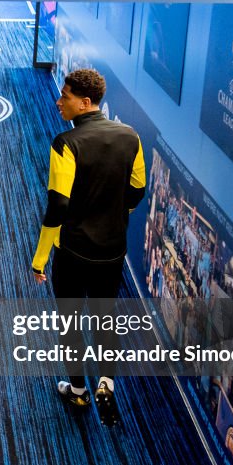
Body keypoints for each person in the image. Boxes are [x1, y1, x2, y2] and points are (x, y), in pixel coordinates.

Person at [31, 68, 146, 425]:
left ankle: (79, 391)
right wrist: (112, 212)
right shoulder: (130, 136)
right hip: (112, 249)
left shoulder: (66, 144)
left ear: (84, 102)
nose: (58, 101)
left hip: (73, 250)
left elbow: (58, 206)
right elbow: (137, 189)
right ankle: (107, 382)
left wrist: (39, 259)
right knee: (104, 315)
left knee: (70, 320)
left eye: (64, 96)